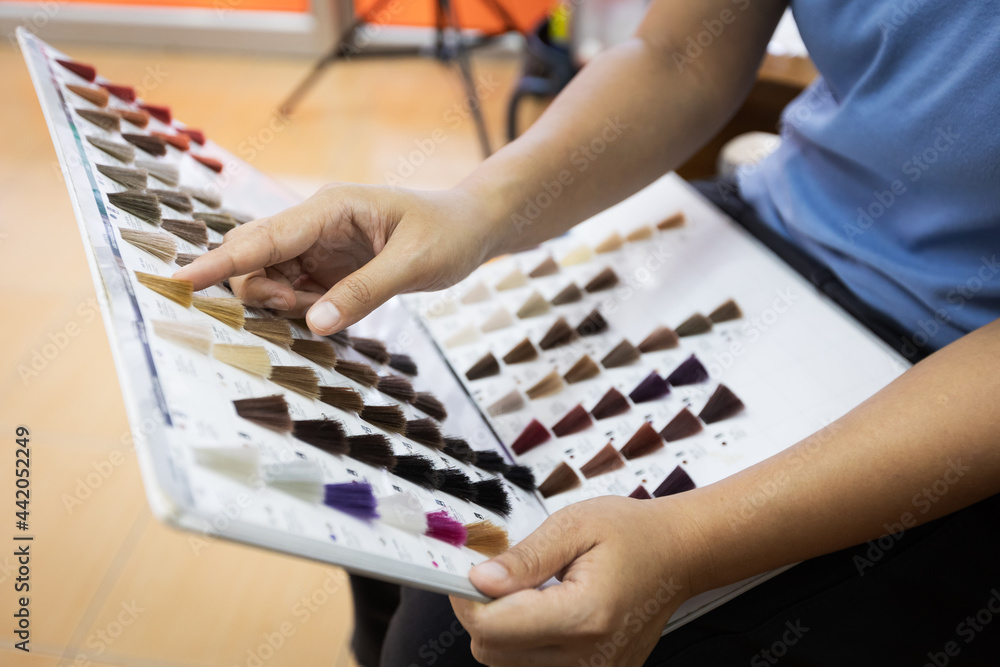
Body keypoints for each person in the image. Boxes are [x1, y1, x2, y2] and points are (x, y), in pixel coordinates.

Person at [175, 0, 1000, 664]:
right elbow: (678, 55)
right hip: (770, 210)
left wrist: (685, 544)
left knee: (464, 637)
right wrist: (472, 210)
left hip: (956, 363)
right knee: (382, 437)